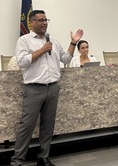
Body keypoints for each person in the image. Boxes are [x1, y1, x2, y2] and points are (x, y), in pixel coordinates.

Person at [10, 10, 83, 166]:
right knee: (26, 126)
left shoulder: (54, 41)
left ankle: (43, 158)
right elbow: (22, 62)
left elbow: (66, 59)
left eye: (46, 20)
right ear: (31, 22)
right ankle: (17, 161)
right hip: (34, 89)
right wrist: (42, 50)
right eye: (41, 20)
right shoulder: (24, 40)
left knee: (48, 125)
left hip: (53, 88)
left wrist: (73, 43)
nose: (44, 23)